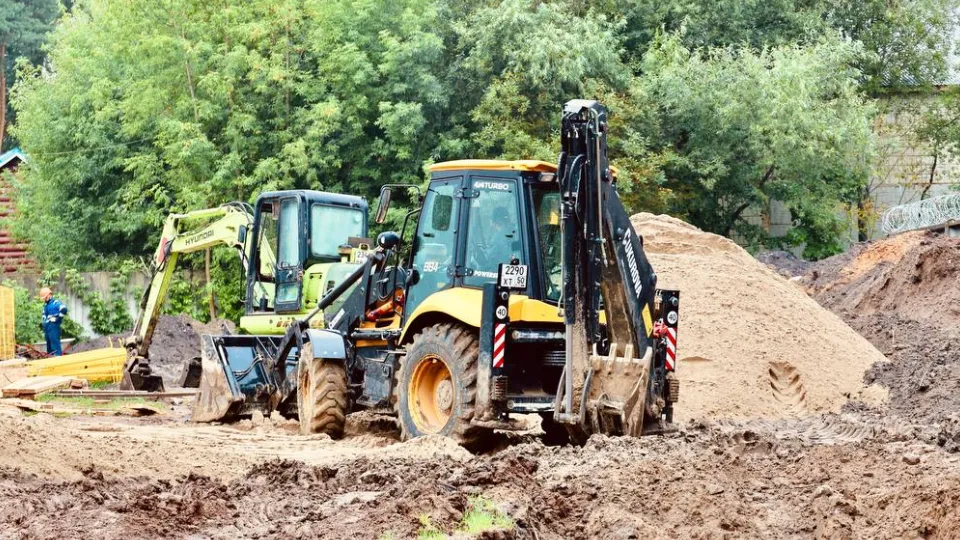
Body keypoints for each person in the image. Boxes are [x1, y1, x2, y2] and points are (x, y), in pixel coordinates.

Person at [38, 287, 67, 356]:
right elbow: (44, 314)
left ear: (49, 295)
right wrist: (44, 321)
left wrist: (58, 319)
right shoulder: (46, 305)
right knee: (49, 343)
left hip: (53, 326)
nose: (44, 299)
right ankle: (50, 357)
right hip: (47, 327)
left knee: (54, 342)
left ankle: (57, 357)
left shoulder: (55, 303)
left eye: (45, 297)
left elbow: (64, 309)